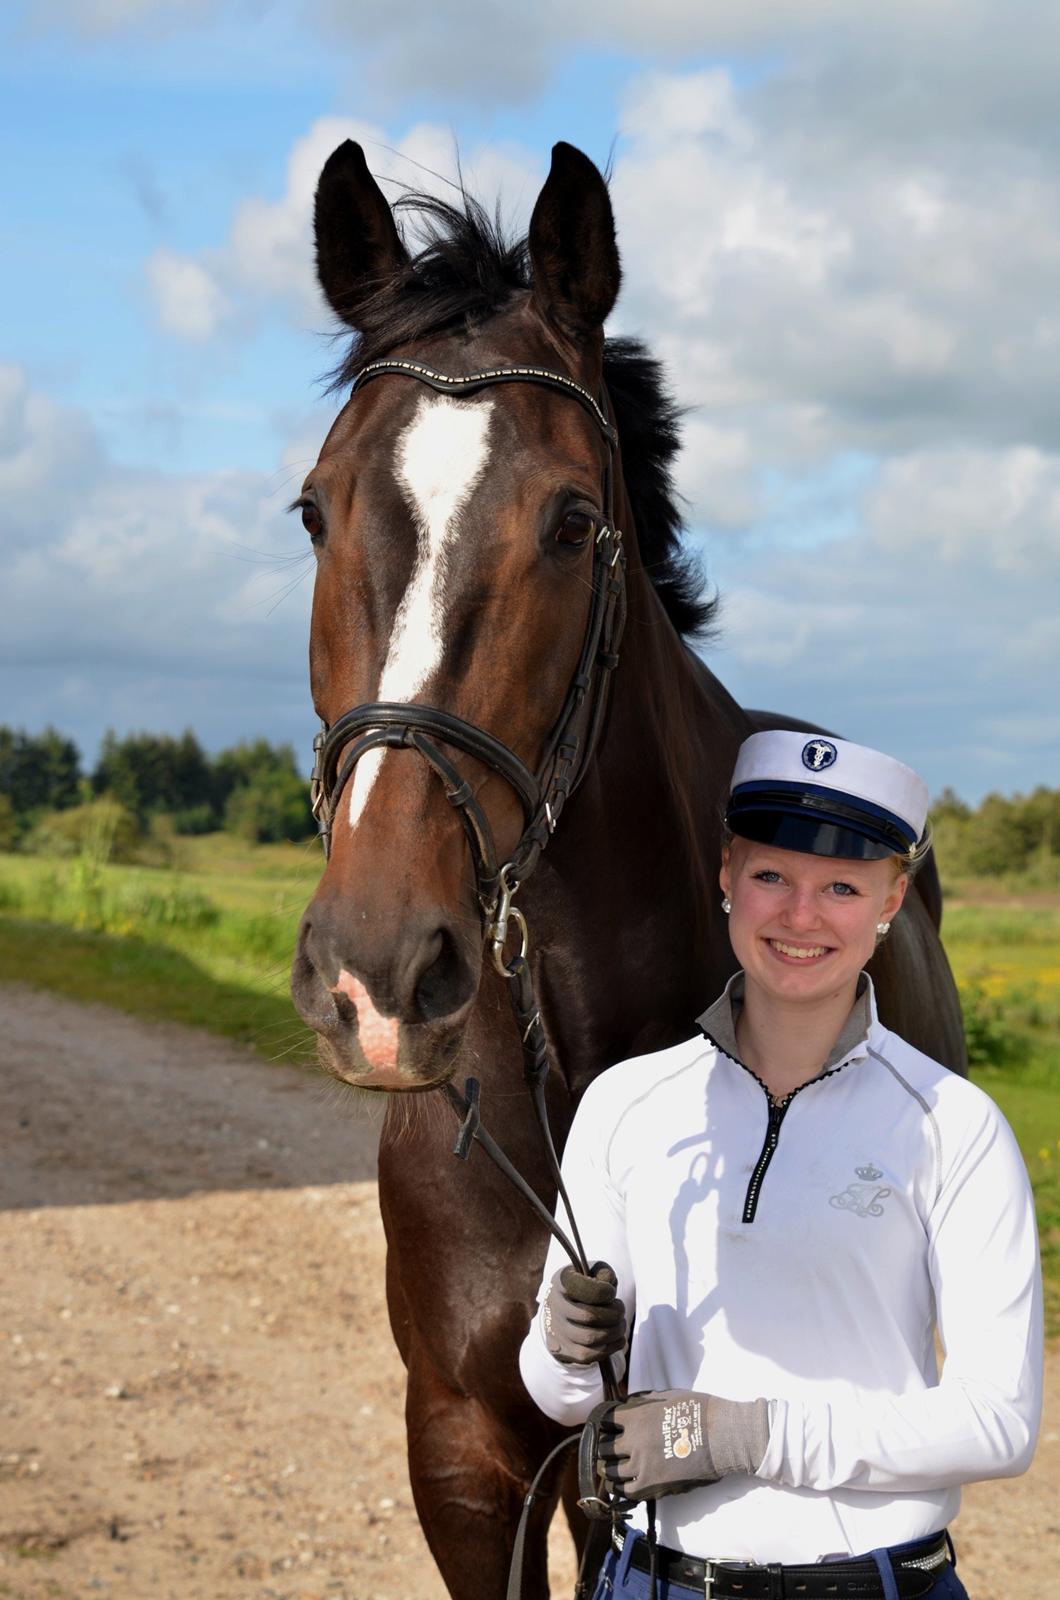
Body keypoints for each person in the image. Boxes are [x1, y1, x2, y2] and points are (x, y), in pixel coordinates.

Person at [519, 731, 1043, 1600]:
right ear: (726, 875)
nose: (801, 917)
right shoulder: (625, 1105)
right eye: (772, 877)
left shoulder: (956, 1126)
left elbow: (999, 1422)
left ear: (893, 900)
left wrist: (742, 1436)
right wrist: (563, 1345)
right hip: (652, 1583)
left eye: (842, 887)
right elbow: (563, 1396)